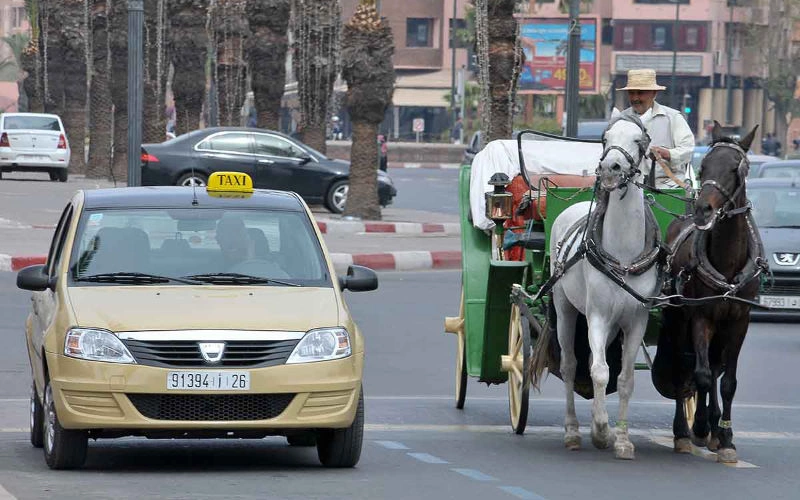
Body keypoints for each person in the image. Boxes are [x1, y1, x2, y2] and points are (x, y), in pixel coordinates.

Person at [618, 69, 695, 188]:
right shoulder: (621, 120)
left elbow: (687, 150)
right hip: (629, 187)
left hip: (667, 187)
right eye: (632, 93)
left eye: (640, 93)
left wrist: (667, 153)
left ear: (654, 93)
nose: (635, 98)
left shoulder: (673, 118)